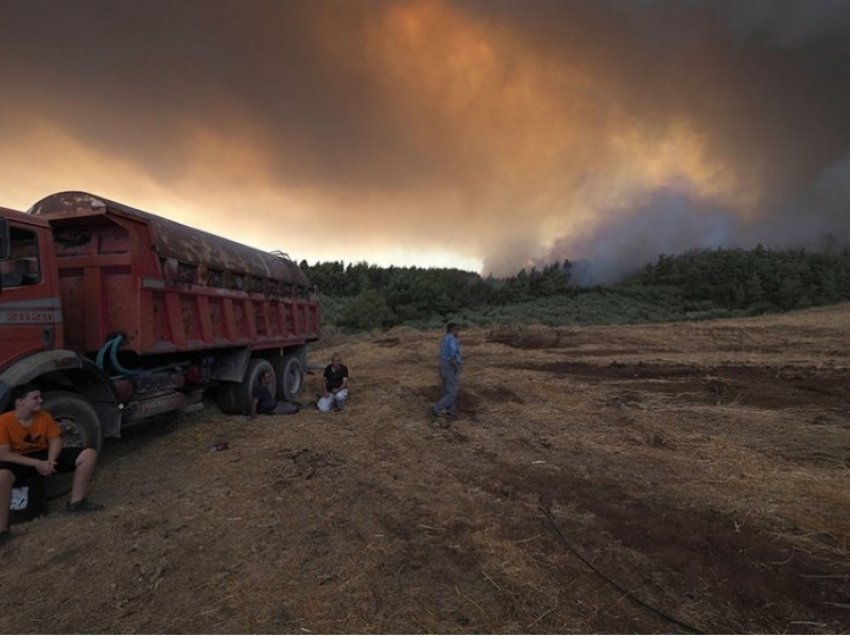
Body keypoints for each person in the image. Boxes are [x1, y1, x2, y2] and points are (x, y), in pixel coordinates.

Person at [0, 384, 103, 544]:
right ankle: (2, 530)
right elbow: (4, 454)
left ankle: (77, 502)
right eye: (35, 398)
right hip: (19, 460)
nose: (40, 400)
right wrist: (37, 463)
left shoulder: (44, 417)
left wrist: (50, 460)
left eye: (40, 397)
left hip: (43, 456)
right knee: (2, 476)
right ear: (20, 402)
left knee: (88, 454)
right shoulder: (4, 421)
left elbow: (55, 440)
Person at [431, 322, 463, 421]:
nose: (458, 332)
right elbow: (452, 354)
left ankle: (450, 413)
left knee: (447, 391)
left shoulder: (444, 339)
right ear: (453, 329)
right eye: (457, 330)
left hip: (443, 365)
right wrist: (456, 366)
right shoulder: (452, 339)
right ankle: (436, 408)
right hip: (450, 366)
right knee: (452, 393)